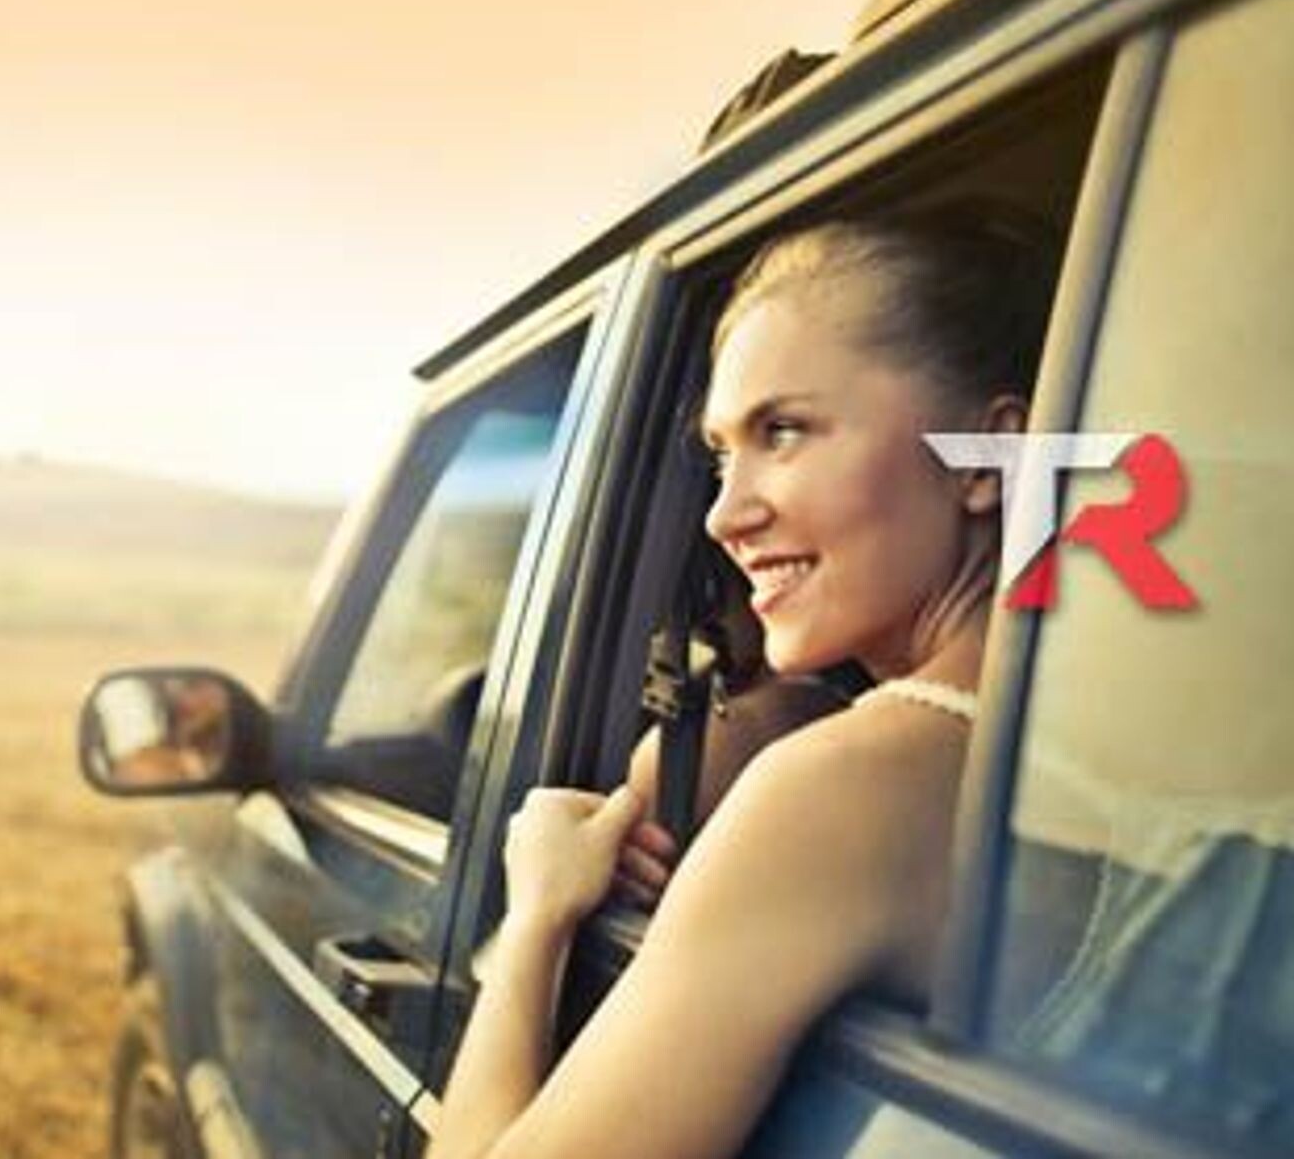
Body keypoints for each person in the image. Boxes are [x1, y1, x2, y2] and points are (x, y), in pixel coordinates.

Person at [431, 209, 1054, 1159]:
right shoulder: (1075, 745)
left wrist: (536, 918)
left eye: (785, 431)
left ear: (988, 456)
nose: (723, 514)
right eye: (722, 454)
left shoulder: (841, 787)